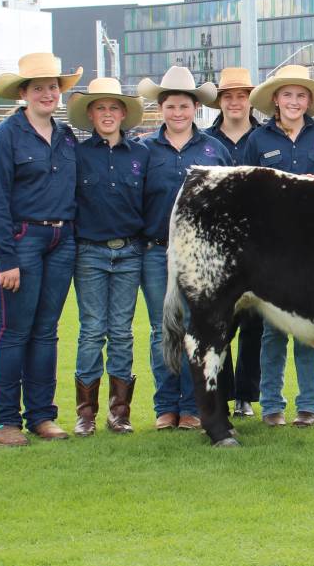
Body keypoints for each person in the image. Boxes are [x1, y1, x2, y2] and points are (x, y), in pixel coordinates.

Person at [0, 53, 83, 446]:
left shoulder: (66, 137)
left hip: (61, 240)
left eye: (52, 87)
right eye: (38, 87)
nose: (46, 93)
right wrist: (5, 257)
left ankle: (41, 415)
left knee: (46, 333)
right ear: (23, 93)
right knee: (13, 332)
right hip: (21, 241)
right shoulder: (5, 136)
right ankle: (4, 420)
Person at [239, 65, 314, 429]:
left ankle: (308, 406)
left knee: (308, 330)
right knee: (273, 331)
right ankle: (271, 405)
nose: (294, 101)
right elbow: (246, 191)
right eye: (288, 95)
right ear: (275, 99)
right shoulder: (258, 140)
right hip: (272, 249)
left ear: (309, 100)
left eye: (301, 95)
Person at [138, 66, 228, 430]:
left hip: (201, 256)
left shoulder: (214, 150)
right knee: (163, 326)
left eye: (184, 107)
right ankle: (165, 406)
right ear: (162, 108)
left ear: (195, 109)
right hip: (157, 250)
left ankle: (192, 406)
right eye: (171, 106)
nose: (178, 113)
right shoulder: (144, 150)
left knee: (198, 327)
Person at [67, 77, 149, 435]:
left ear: (123, 114)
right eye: (100, 107)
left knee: (121, 332)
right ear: (90, 113)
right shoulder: (78, 154)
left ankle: (120, 412)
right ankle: (86, 413)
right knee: (91, 331)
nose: (107, 113)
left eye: (113, 107)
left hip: (130, 252)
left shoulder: (142, 155)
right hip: (90, 253)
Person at [207, 67, 262, 418]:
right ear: (220, 102)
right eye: (229, 96)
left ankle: (246, 394)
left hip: (261, 244)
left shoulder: (263, 138)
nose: (235, 102)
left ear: (250, 101)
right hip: (218, 245)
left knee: (255, 323)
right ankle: (222, 393)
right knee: (219, 321)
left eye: (242, 96)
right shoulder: (207, 141)